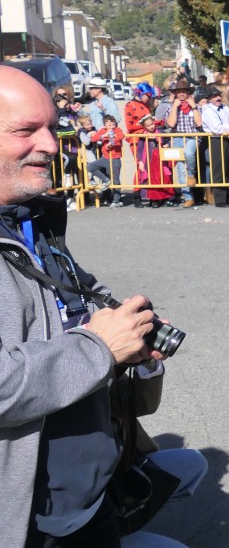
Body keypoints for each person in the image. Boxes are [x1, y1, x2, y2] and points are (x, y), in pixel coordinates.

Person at [0, 66, 182, 547]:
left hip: (85, 496)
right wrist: (99, 347)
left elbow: (73, 313)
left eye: (52, 128)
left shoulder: (32, 220)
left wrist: (131, 339)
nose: (51, 145)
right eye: (25, 131)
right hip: (26, 520)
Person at [163, 79, 201, 208]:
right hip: (178, 136)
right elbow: (171, 124)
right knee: (180, 168)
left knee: (189, 153)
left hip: (192, 136)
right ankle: (188, 197)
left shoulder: (196, 106)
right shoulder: (170, 108)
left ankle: (191, 174)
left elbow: (199, 123)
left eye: (184, 91)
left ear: (188, 92)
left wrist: (194, 106)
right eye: (179, 92)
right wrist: (175, 107)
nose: (182, 94)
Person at [199, 88, 229, 207]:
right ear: (209, 99)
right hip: (216, 140)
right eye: (214, 96)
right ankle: (220, 199)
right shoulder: (207, 110)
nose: (218, 98)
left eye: (219, 95)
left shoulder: (225, 108)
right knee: (219, 169)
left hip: (228, 138)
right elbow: (216, 128)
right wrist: (228, 128)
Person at [84, 116, 125, 207]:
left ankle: (116, 200)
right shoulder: (103, 131)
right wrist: (103, 135)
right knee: (90, 167)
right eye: (109, 125)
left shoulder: (117, 130)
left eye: (113, 124)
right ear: (105, 125)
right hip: (104, 158)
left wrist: (112, 142)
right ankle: (106, 180)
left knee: (116, 180)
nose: (112, 126)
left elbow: (121, 136)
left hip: (115, 159)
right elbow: (93, 139)